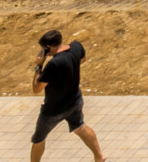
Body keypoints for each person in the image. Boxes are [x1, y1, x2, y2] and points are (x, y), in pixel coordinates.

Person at [31, 29, 104, 162]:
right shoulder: (76, 47)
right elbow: (82, 59)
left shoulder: (54, 64)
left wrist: (38, 66)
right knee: (80, 126)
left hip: (54, 109)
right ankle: (99, 157)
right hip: (75, 101)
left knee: (38, 138)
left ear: (48, 48)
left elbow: (37, 88)